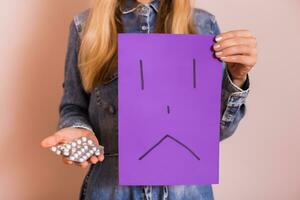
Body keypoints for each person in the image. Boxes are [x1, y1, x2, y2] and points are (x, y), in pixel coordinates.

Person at [41, 0, 257, 199]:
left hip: (186, 193)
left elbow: (216, 131)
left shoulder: (203, 24)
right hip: (112, 191)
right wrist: (78, 130)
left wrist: (236, 79)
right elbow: (73, 106)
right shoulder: (84, 26)